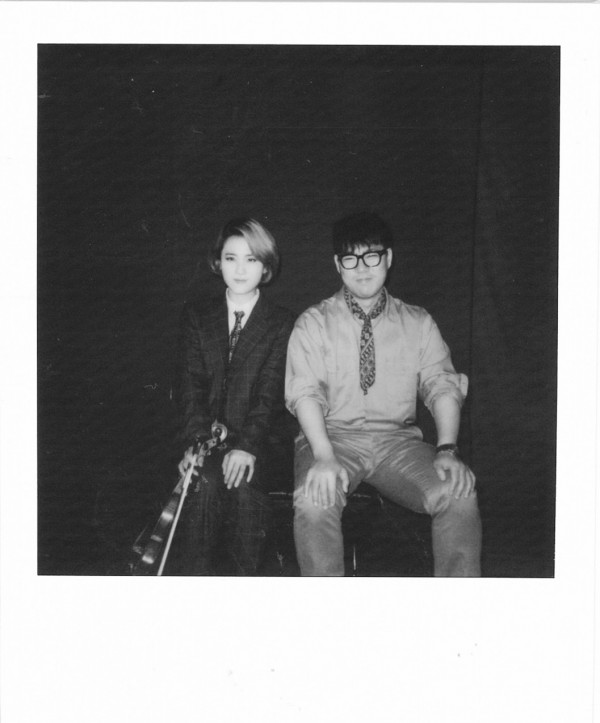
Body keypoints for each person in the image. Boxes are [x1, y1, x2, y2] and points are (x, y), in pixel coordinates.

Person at [285, 211, 482, 576]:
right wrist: (323, 456)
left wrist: (448, 449)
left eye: (372, 256)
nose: (362, 267)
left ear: (388, 258)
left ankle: (459, 607)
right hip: (333, 438)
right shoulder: (313, 323)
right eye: (351, 258)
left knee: (459, 494)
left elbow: (442, 385)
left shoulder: (418, 322)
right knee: (314, 501)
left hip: (398, 443)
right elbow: (305, 393)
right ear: (338, 265)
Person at [175, 217, 296, 575]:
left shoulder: (281, 322)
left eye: (251, 259)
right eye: (231, 258)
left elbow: (269, 395)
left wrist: (247, 447)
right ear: (218, 262)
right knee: (203, 483)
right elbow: (190, 386)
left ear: (266, 266)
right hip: (205, 439)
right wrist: (196, 444)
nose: (240, 269)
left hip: (259, 442)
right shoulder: (197, 315)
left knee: (243, 488)